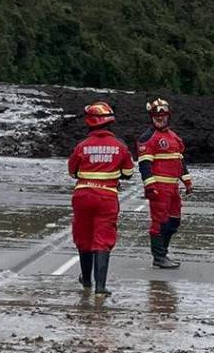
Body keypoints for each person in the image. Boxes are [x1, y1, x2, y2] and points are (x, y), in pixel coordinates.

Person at [69, 101, 135, 296]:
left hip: (82, 196)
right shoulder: (120, 147)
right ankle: (100, 287)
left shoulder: (81, 146)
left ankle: (87, 280)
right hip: (107, 197)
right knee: (103, 239)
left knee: (84, 237)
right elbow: (128, 172)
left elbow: (72, 171)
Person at [136, 98, 193, 269]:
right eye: (156, 116)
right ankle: (159, 257)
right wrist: (150, 186)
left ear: (168, 116)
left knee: (174, 221)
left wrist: (187, 181)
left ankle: (163, 252)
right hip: (159, 187)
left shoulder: (173, 136)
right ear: (151, 117)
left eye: (163, 115)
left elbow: (179, 159)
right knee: (159, 222)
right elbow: (144, 165)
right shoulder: (147, 137)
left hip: (173, 187)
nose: (160, 119)